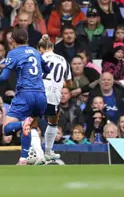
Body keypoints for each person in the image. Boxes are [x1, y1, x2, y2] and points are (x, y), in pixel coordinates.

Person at [0, 28, 48, 165]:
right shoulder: (35, 52)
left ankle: (23, 127)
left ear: (12, 40)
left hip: (25, 94)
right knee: (30, 126)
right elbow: (47, 70)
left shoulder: (14, 52)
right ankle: (25, 158)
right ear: (27, 39)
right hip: (41, 95)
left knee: (7, 128)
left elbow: (5, 76)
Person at [37, 35, 72, 164]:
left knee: (33, 124)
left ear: (40, 48)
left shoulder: (38, 58)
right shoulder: (63, 60)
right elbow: (69, 84)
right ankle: (48, 151)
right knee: (53, 122)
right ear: (52, 47)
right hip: (53, 96)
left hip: (39, 94)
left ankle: (36, 152)